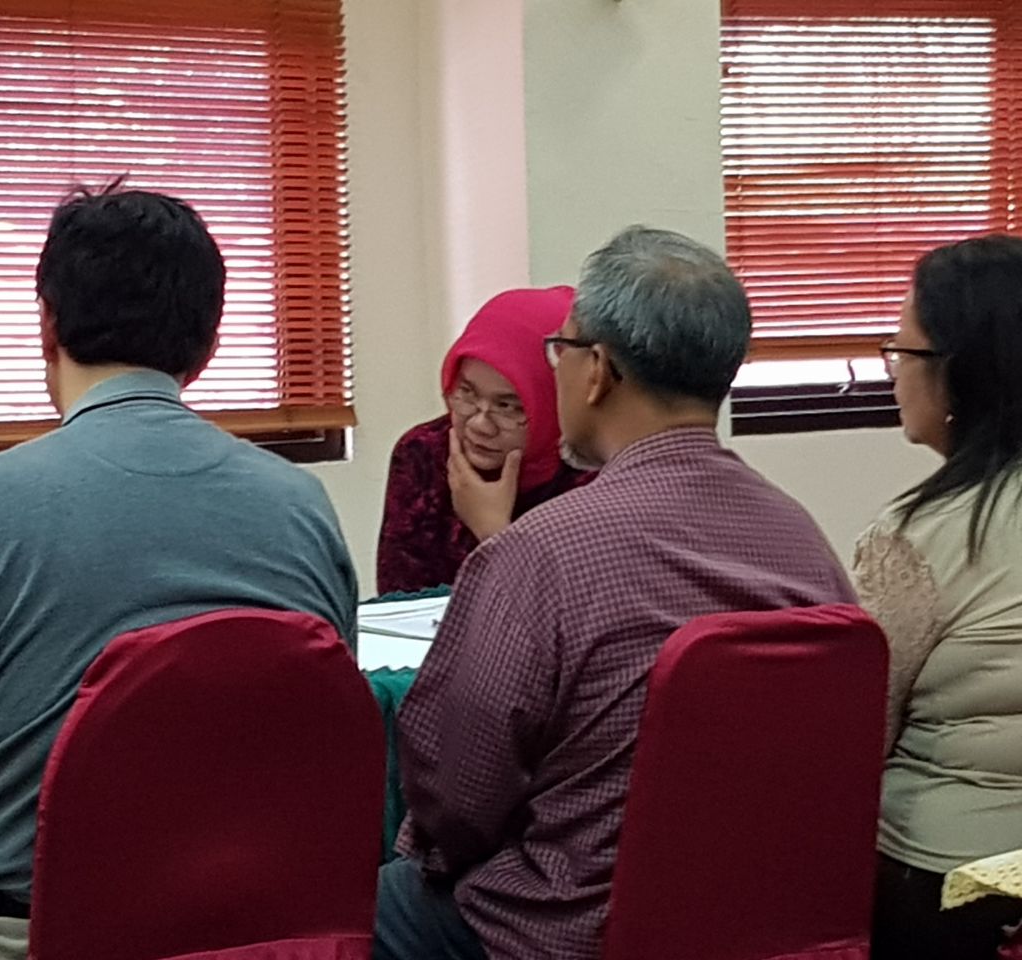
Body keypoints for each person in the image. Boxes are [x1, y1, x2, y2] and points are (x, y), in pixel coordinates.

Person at [0, 184, 357, 960]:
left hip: (29, 935)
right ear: (207, 343)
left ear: (48, 326)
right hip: (260, 937)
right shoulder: (301, 503)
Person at [373, 226, 857, 960]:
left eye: (558, 352)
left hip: (562, 927)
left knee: (350, 905)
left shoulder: (539, 552)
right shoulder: (804, 545)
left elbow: (456, 799)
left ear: (596, 370)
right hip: (760, 922)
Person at [851, 235, 1022, 960]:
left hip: (954, 883)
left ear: (958, 373)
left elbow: (858, 735)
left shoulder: (913, 538)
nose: (894, 372)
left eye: (902, 351)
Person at [375, 286, 593, 594]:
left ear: (555, 400)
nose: (480, 425)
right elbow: (399, 602)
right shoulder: (423, 453)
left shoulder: (593, 473)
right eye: (466, 392)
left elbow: (574, 612)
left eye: (508, 406)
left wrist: (493, 531)